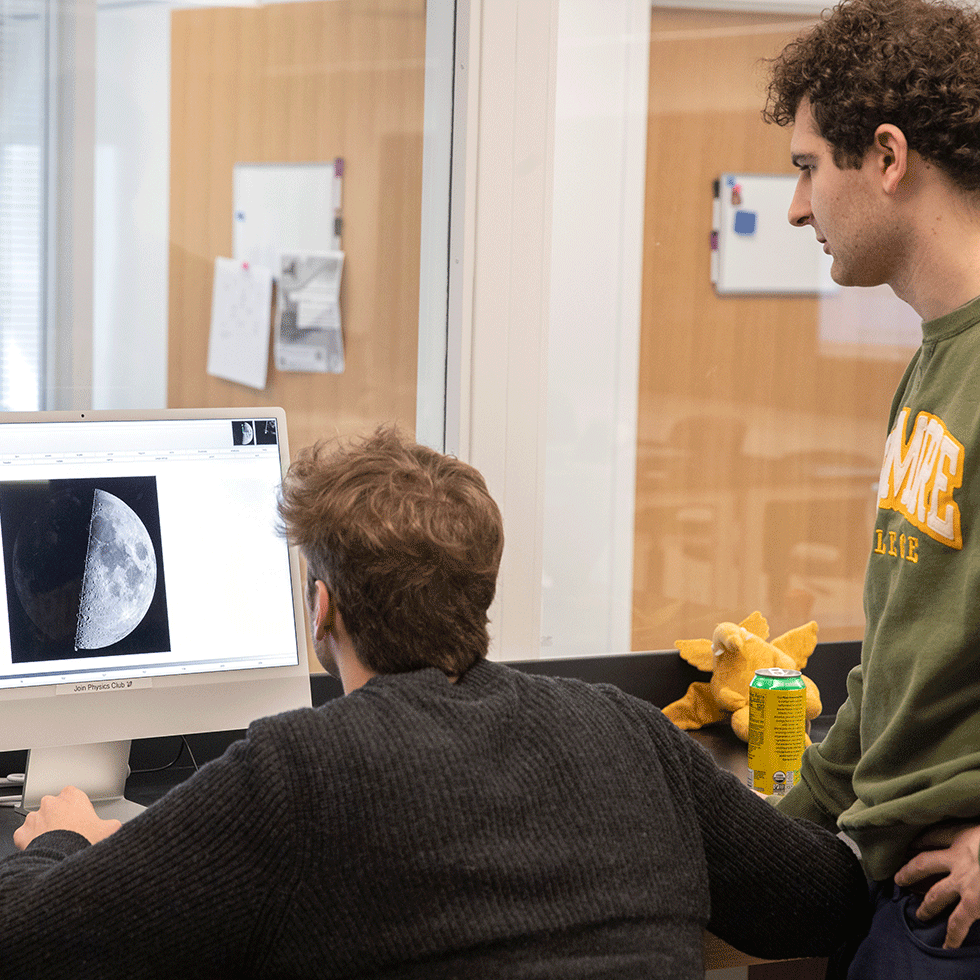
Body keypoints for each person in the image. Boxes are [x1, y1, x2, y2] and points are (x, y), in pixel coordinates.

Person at [0, 426, 865, 979]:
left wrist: (61, 841)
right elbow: (824, 902)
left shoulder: (300, 774)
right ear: (482, 589)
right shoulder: (629, 733)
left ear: (322, 610)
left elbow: (31, 943)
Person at [763, 0, 980, 972]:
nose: (796, 207)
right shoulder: (936, 361)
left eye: (808, 167)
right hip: (894, 869)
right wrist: (769, 832)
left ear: (885, 157)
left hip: (955, 896)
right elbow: (900, 657)